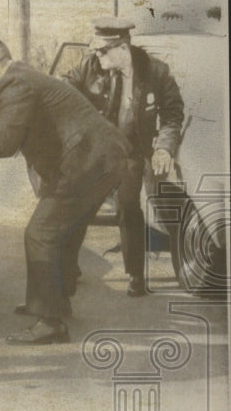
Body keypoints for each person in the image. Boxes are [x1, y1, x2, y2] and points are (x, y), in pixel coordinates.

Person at [0, 39, 129, 344]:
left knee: (40, 233)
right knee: (64, 229)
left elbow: (3, 143)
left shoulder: (14, 84)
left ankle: (51, 322)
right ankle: (56, 301)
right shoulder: (23, 77)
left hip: (87, 163)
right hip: (102, 160)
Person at [62, 17, 185, 296]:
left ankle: (135, 276)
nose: (97, 55)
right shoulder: (89, 66)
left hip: (131, 151)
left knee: (128, 207)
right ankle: (66, 272)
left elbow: (173, 113)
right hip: (96, 152)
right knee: (79, 207)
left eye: (103, 50)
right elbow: (63, 92)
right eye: (96, 49)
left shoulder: (155, 71)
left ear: (123, 48)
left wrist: (164, 147)